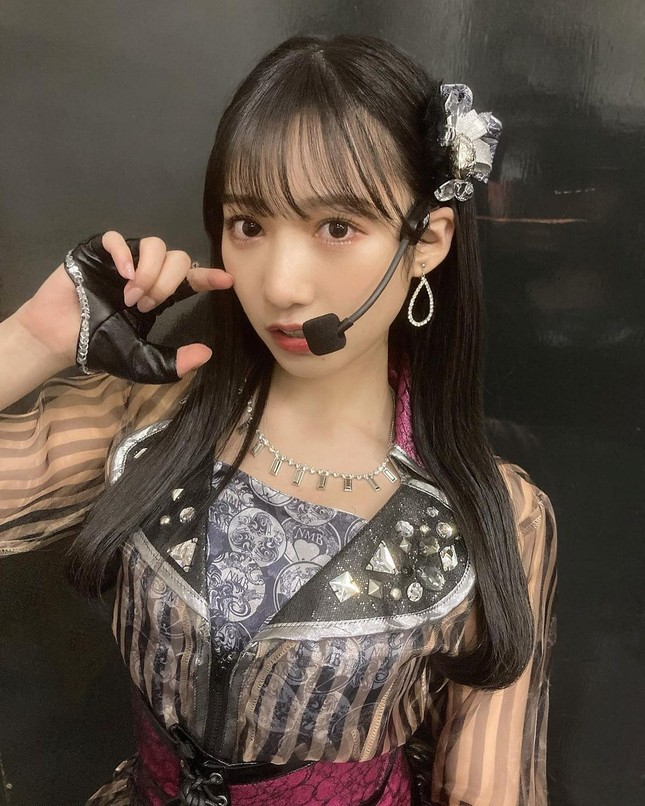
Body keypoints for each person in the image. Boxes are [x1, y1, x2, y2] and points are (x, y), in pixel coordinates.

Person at [0, 34, 557, 806]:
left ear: (426, 241)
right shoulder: (149, 421)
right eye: (249, 225)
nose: (282, 285)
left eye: (337, 227)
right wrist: (31, 340)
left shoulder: (497, 514)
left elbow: (486, 791)